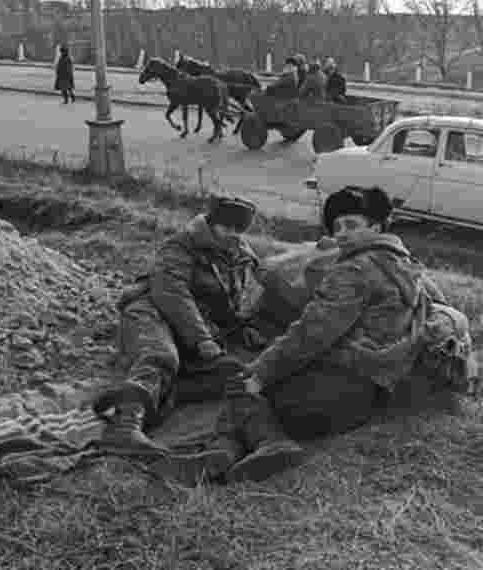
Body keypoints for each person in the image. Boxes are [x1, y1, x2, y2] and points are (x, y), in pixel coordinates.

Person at [161, 186, 462, 485]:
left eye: (352, 225)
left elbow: (310, 334)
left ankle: (270, 444)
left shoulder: (355, 271)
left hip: (329, 392)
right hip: (369, 395)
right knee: (254, 388)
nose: (342, 233)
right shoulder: (406, 266)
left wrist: (261, 373)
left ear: (376, 225)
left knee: (243, 388)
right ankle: (224, 453)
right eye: (337, 226)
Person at [92, 195, 265, 456]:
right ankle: (123, 427)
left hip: (195, 324)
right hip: (151, 310)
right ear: (211, 223)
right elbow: (172, 294)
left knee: (232, 373)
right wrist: (201, 339)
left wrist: (241, 327)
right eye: (226, 228)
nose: (232, 235)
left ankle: (157, 395)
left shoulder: (239, 255)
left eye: (238, 230)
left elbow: (226, 301)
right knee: (162, 357)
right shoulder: (180, 247)